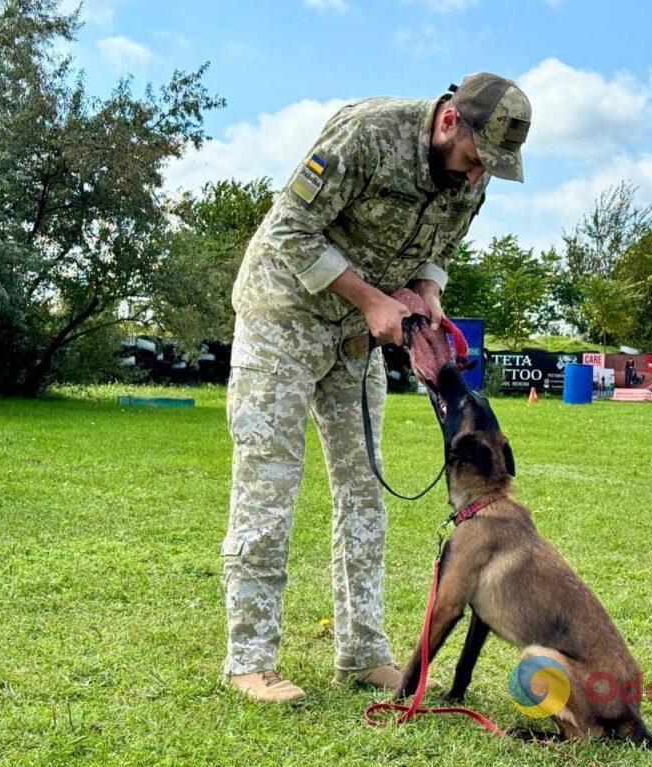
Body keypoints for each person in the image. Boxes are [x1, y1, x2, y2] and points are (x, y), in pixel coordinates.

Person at [221, 73, 532, 703]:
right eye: (475, 160)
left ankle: (361, 652)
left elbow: (435, 251)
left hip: (359, 338)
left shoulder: (473, 179)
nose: (476, 177)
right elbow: (288, 231)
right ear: (450, 122)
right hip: (283, 315)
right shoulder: (367, 133)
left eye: (490, 170)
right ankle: (248, 659)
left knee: (365, 489)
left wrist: (428, 294)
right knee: (270, 483)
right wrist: (369, 299)